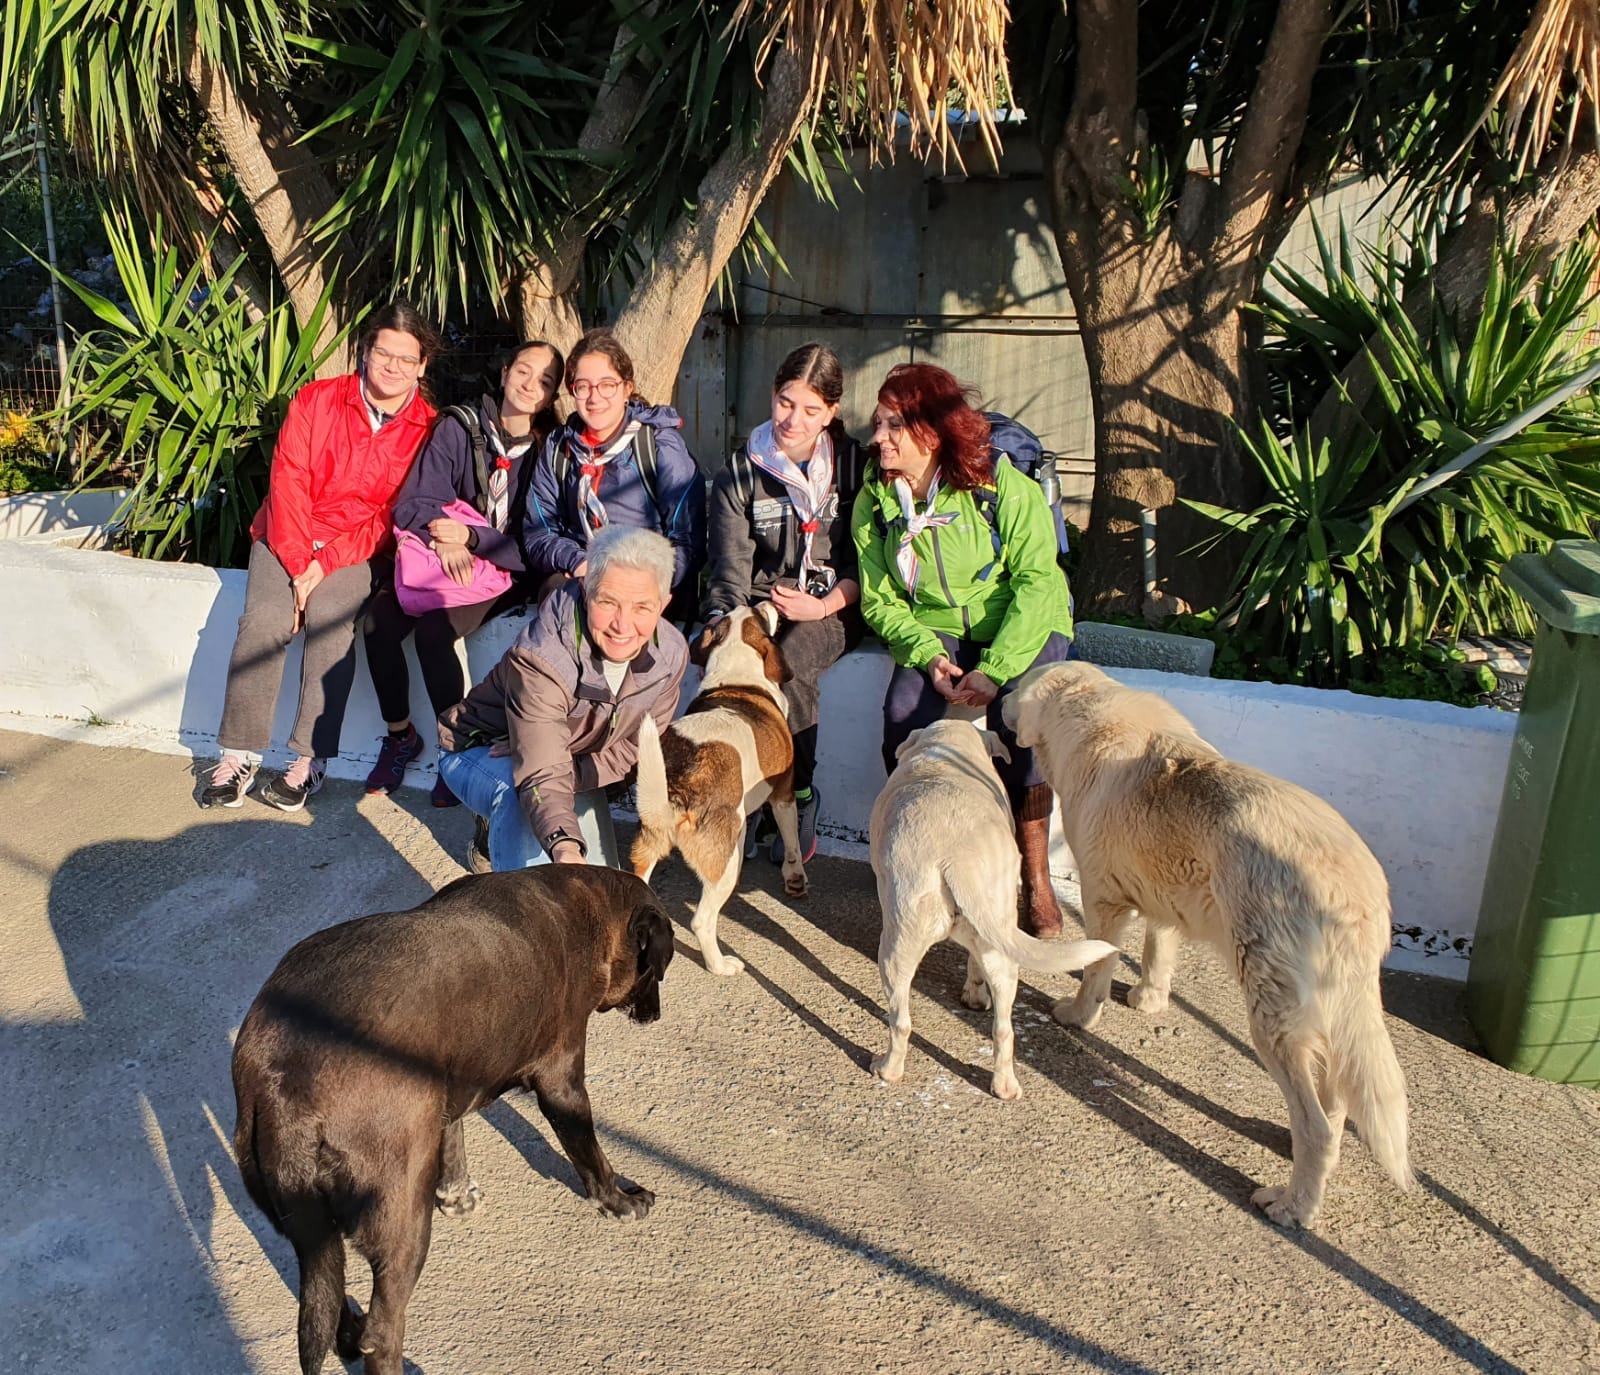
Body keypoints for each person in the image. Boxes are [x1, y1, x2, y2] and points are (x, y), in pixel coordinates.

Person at [851, 363, 1075, 938]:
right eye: (878, 423)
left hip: (1022, 619)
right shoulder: (876, 500)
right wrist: (927, 655)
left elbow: (1037, 583)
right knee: (903, 715)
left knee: (1023, 725)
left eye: (894, 425)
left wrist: (995, 670)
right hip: (936, 626)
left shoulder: (1002, 487)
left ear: (931, 432)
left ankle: (1033, 875)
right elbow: (879, 599)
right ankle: (913, 847)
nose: (879, 438)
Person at [197, 301, 440, 812]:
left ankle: (310, 759)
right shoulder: (316, 399)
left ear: (422, 365)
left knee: (330, 621)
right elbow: (288, 481)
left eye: (406, 358)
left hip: (359, 548)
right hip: (287, 533)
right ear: (365, 352)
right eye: (383, 353)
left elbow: (393, 514)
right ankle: (237, 754)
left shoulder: (428, 430)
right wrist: (296, 562)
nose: (393, 367)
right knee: (265, 620)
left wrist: (323, 565)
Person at [360, 339, 566, 804]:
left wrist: (474, 539)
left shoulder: (548, 452)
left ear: (551, 396)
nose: (530, 384)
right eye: (523, 371)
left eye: (544, 381)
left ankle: (456, 749)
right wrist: (444, 535)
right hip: (440, 558)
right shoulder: (460, 427)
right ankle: (400, 735)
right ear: (505, 371)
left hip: (505, 570)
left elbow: (536, 541)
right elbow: (416, 501)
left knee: (435, 635)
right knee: (378, 625)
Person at [436, 525, 688, 872]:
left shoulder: (671, 654)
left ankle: (498, 830)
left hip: (569, 760)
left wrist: (558, 761)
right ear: (586, 590)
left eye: (642, 607)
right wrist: (565, 847)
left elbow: (635, 748)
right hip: (478, 748)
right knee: (526, 803)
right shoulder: (542, 657)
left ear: (663, 604)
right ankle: (507, 880)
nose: (623, 625)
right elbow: (541, 772)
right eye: (608, 602)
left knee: (600, 881)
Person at [702, 342, 868, 862]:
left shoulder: (855, 466)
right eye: (785, 403)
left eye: (811, 410)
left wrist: (822, 606)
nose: (793, 421)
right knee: (736, 658)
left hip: (834, 604)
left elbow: (868, 564)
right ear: (772, 393)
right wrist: (726, 626)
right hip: (763, 605)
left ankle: (798, 792)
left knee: (788, 661)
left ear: (831, 412)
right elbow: (730, 569)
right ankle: (746, 791)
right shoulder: (740, 470)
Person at [523, 328, 705, 620]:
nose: (594, 398)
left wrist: (635, 584)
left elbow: (686, 540)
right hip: (582, 575)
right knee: (560, 602)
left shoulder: (657, 446)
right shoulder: (559, 448)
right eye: (583, 386)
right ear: (572, 391)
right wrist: (580, 563)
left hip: (648, 582)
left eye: (607, 385)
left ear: (627, 388)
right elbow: (539, 530)